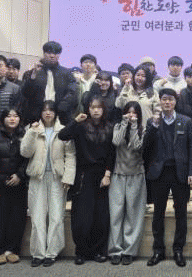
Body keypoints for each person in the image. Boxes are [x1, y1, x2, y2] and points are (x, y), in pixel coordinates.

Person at [142, 88, 192, 267]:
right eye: (164, 99)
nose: (167, 102)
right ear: (160, 101)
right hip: (159, 173)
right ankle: (158, 250)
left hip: (180, 173)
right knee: (158, 213)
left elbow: (191, 149)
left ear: (175, 102)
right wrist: (154, 125)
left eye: (170, 99)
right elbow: (145, 147)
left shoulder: (186, 121)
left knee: (181, 213)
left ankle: (178, 250)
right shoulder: (152, 121)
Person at [58, 96, 115, 264]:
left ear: (103, 109)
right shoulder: (81, 126)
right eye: (92, 107)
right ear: (88, 109)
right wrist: (75, 121)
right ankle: (81, 252)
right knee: (82, 215)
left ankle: (98, 251)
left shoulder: (110, 127)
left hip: (102, 175)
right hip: (84, 174)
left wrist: (108, 174)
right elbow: (62, 135)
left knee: (101, 216)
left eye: (99, 107)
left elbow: (112, 154)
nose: (96, 110)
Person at [21, 100, 76, 267]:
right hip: (37, 177)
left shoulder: (63, 130)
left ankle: (52, 253)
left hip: (57, 178)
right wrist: (32, 132)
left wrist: (68, 177)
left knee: (56, 216)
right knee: (37, 217)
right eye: (44, 110)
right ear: (40, 112)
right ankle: (38, 253)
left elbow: (71, 156)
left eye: (51, 110)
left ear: (55, 113)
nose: (48, 113)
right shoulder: (33, 129)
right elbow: (25, 152)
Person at [0, 108, 27, 265]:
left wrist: (20, 175)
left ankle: (12, 250)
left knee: (16, 218)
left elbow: (29, 160)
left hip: (18, 183)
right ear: (2, 119)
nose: (12, 119)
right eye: (8, 116)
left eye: (15, 116)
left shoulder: (25, 136)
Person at [108, 101, 147, 265]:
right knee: (115, 213)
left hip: (136, 174)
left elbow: (137, 145)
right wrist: (124, 124)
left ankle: (129, 251)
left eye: (134, 113)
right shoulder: (118, 126)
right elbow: (116, 142)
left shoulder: (142, 129)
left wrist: (134, 126)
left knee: (133, 214)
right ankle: (115, 250)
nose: (131, 115)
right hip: (118, 174)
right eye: (129, 112)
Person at [22, 41, 77, 125]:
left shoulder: (67, 73)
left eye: (55, 53)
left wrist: (60, 108)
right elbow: (26, 94)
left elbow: (72, 93)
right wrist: (33, 75)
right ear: (44, 53)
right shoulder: (33, 72)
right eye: (49, 53)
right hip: (36, 116)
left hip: (61, 116)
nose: (52, 56)